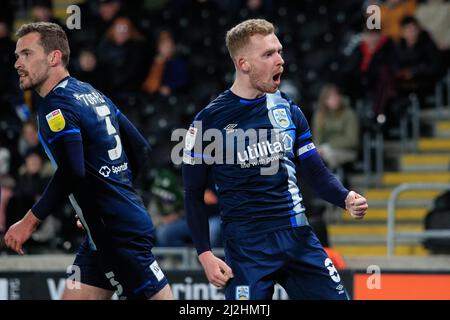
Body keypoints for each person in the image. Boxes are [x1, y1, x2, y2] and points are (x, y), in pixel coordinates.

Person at [182, 19, 368, 300]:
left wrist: (344, 197)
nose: (280, 60)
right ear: (244, 64)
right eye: (268, 54)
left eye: (279, 51)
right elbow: (193, 193)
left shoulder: (288, 110)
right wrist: (205, 253)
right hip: (247, 247)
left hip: (297, 237)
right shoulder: (207, 122)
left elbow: (316, 173)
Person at [3, 22, 172, 300]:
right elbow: (140, 148)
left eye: (26, 54)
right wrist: (102, 203)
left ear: (53, 57)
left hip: (115, 234)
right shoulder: (90, 92)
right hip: (105, 229)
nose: (17, 63)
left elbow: (72, 171)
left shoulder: (55, 105)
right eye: (17, 56)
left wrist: (29, 221)